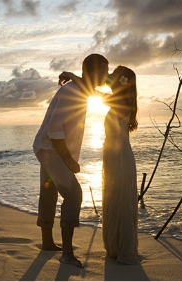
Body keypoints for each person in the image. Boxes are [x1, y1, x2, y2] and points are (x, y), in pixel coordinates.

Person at [32, 54, 109, 268]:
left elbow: (94, 89)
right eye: (104, 71)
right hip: (51, 149)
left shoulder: (80, 89)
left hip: (46, 147)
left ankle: (48, 243)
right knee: (74, 194)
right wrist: (68, 159)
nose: (107, 75)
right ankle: (67, 254)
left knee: (49, 192)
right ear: (94, 73)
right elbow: (54, 129)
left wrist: (74, 75)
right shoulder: (72, 92)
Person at [59, 65, 139, 264]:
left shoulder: (120, 102)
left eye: (113, 74)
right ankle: (117, 248)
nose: (109, 75)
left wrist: (70, 75)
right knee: (116, 201)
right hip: (115, 158)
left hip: (120, 160)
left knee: (120, 203)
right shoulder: (120, 102)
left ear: (121, 82)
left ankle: (124, 251)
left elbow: (90, 91)